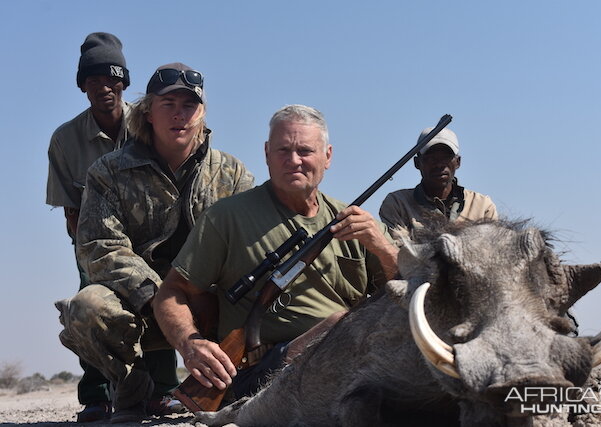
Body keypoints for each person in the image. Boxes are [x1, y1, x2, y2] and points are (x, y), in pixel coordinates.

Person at [153, 104, 399, 401]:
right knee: (340, 324)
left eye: (305, 151)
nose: (294, 161)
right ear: (267, 153)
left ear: (328, 156)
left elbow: (406, 289)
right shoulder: (227, 217)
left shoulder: (357, 222)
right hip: (265, 375)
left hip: (352, 361)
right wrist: (191, 345)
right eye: (283, 150)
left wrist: (382, 248)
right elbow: (171, 292)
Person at [54, 62, 255, 423]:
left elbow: (248, 247)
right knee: (86, 308)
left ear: (203, 113)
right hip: (140, 304)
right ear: (147, 112)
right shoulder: (107, 172)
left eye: (189, 106)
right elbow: (99, 247)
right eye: (168, 105)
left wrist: (201, 293)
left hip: (210, 303)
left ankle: (238, 385)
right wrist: (161, 297)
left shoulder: (234, 174)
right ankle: (133, 391)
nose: (180, 115)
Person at [46, 32, 135, 422]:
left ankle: (162, 391)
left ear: (124, 81)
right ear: (82, 85)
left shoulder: (151, 124)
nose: (105, 86)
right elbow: (70, 209)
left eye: (113, 77)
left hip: (152, 239)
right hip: (94, 243)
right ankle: (96, 396)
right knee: (89, 308)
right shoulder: (65, 140)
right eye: (94, 79)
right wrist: (90, 257)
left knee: (161, 301)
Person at [379, 127, 497, 232]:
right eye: (431, 158)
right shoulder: (398, 204)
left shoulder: (482, 205)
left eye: (446, 158)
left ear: (458, 162)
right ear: (417, 163)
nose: (439, 164)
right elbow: (396, 252)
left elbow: (494, 251)